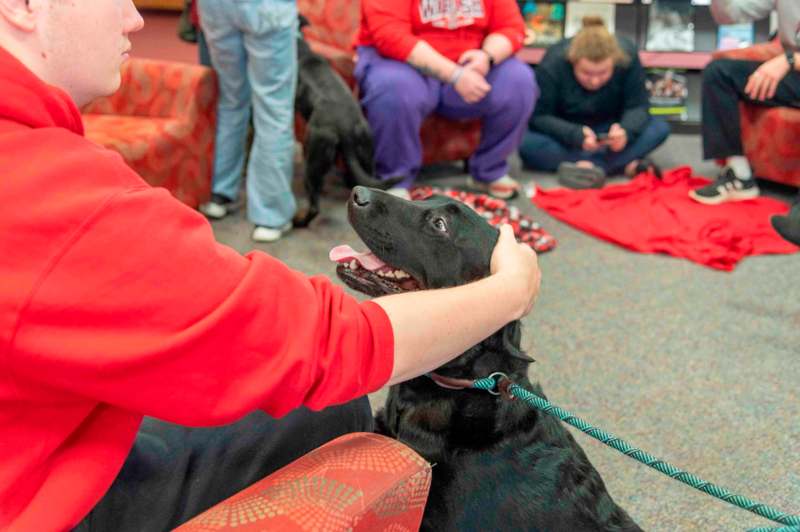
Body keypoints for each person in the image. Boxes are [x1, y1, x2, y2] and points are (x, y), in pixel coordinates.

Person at [0, 1, 542, 530]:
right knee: (335, 408)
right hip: (42, 499)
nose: (136, 17)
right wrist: (511, 290)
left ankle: (230, 196)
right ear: (24, 6)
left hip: (41, 433)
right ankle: (269, 212)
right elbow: (331, 345)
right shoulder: (64, 198)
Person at [354, 0, 538, 200]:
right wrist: (454, 75)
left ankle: (489, 170)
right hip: (401, 62)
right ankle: (394, 180)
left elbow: (511, 27)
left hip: (471, 61)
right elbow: (391, 36)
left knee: (520, 81)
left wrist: (487, 56)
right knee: (394, 89)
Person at [519, 17, 670, 185]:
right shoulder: (553, 63)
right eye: (587, 73)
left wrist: (626, 132)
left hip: (610, 131)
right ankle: (616, 165)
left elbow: (638, 106)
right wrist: (573, 134)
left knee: (659, 128)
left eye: (603, 73)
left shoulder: (627, 56)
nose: (595, 81)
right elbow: (539, 116)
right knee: (526, 144)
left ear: (614, 62)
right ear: (573, 62)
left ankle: (582, 165)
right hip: (567, 132)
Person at [195, 0, 298, 242]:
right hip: (267, 8)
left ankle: (220, 193)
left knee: (231, 99)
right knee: (274, 108)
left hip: (216, 8)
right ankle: (270, 215)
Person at [689, 0, 800, 205]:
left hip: (791, 64)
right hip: (792, 73)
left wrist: (790, 60)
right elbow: (729, 16)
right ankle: (739, 175)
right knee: (719, 73)